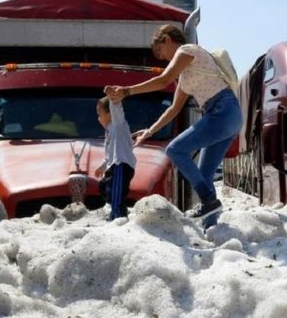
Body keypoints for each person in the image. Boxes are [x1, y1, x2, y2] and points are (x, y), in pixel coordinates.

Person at [104, 24, 242, 221]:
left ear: (167, 39)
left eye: (162, 52)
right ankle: (211, 227)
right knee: (204, 174)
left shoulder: (188, 50)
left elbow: (163, 80)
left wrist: (126, 91)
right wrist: (149, 131)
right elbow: (174, 109)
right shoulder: (186, 76)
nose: (165, 59)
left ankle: (209, 201)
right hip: (229, 115)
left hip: (222, 111)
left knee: (175, 149)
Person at [95, 96, 136, 220]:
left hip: (121, 165)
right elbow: (109, 154)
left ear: (109, 114)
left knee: (116, 192)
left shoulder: (117, 125)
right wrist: (103, 166)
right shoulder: (108, 131)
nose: (98, 118)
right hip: (113, 165)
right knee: (104, 186)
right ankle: (114, 209)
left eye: (100, 114)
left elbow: (117, 109)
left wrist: (114, 97)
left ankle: (118, 215)